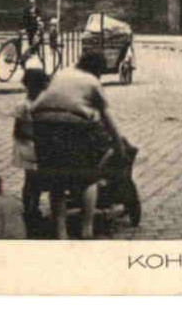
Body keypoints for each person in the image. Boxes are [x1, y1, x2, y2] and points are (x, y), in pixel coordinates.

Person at [32, 50, 126, 240]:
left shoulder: (62, 73)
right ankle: (87, 228)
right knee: (88, 178)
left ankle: (60, 232)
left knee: (56, 178)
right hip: (72, 126)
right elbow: (108, 118)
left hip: (41, 124)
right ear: (98, 70)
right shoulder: (92, 82)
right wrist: (119, 144)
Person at [12, 57, 50, 234]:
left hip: (35, 145)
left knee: (35, 180)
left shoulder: (39, 104)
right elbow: (19, 130)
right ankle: (30, 209)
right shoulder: (24, 106)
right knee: (31, 180)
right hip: (27, 146)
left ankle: (32, 207)